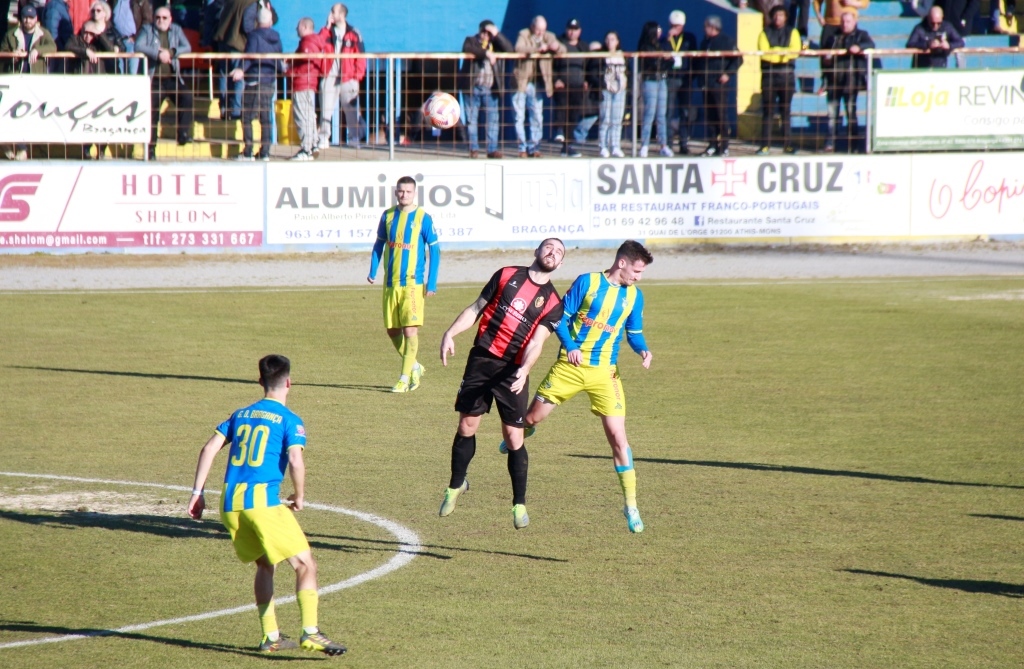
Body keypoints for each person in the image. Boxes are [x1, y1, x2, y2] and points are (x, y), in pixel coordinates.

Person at [187, 354, 347, 656]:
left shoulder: (240, 414)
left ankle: (270, 636)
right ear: (289, 383)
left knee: (265, 564)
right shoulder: (290, 420)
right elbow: (296, 460)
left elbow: (208, 448)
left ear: (260, 381)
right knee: (305, 564)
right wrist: (299, 495)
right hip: (261, 503)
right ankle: (311, 632)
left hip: (230, 504)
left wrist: (197, 492)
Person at [513, 240, 654, 534]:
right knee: (531, 418)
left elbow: (634, 333)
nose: (639, 277)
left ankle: (631, 505)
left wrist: (643, 349)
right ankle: (524, 431)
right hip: (570, 367)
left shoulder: (634, 297)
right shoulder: (587, 283)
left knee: (619, 438)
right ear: (622, 263)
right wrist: (571, 346)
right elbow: (560, 319)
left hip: (605, 374)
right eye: (637, 271)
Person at [437, 239, 567, 530]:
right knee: (467, 425)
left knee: (513, 437)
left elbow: (537, 342)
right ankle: (456, 485)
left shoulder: (553, 303)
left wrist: (525, 369)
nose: (552, 253)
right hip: (482, 360)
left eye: (559, 252)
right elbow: (476, 308)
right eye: (549, 247)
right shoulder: (506, 274)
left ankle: (519, 504)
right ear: (537, 251)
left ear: (560, 264)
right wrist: (450, 333)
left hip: (513, 371)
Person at [367, 176, 440, 393]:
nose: (404, 195)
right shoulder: (388, 216)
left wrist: (431, 283)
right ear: (395, 192)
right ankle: (415, 366)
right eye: (401, 191)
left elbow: (435, 250)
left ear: (414, 193)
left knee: (410, 330)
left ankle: (404, 378)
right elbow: (379, 244)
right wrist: (373, 270)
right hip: (391, 283)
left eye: (408, 191)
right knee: (392, 331)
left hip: (412, 284)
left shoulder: (423, 218)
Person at [137, 4, 193, 159]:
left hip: (172, 78)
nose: (160, 20)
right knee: (152, 114)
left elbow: (187, 47)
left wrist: (172, 52)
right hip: (154, 79)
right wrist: (157, 54)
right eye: (157, 17)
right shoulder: (147, 29)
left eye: (164, 18)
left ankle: (183, 133)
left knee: (187, 97)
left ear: (170, 19)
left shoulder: (176, 30)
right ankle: (151, 149)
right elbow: (139, 45)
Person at [2, 4, 55, 160]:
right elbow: (3, 51)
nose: (28, 21)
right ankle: (17, 146)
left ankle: (22, 147)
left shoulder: (43, 33)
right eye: (25, 17)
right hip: (16, 79)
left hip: (35, 80)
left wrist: (37, 50)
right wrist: (12, 55)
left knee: (31, 116)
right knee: (12, 114)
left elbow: (52, 46)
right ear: (21, 19)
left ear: (36, 19)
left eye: (31, 18)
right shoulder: (11, 34)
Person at [231, 6, 281, 161]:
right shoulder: (276, 36)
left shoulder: (254, 36)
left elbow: (250, 56)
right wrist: (281, 70)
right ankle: (265, 152)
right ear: (271, 21)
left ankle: (248, 151)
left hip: (254, 80)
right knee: (266, 117)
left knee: (247, 116)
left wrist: (241, 69)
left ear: (256, 21)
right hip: (269, 80)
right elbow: (279, 58)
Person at [821, 10, 873, 153]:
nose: (845, 24)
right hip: (833, 81)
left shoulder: (861, 34)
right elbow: (824, 55)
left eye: (848, 21)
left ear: (854, 22)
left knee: (851, 114)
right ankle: (830, 144)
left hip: (851, 81)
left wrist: (859, 47)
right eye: (843, 22)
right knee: (832, 115)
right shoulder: (833, 37)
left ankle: (853, 145)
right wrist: (826, 60)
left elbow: (870, 44)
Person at [513, 15, 564, 158]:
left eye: (543, 30)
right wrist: (536, 48)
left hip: (538, 84)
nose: (540, 33)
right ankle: (522, 148)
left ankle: (534, 147)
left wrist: (556, 47)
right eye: (538, 30)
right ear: (532, 27)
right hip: (521, 82)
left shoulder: (549, 36)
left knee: (537, 116)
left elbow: (563, 49)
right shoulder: (524, 34)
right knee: (519, 116)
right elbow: (518, 48)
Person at [461, 19, 513, 159]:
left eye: (489, 33)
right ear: (479, 31)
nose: (486, 35)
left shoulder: (496, 44)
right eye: (484, 32)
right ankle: (474, 149)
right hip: (472, 87)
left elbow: (510, 49)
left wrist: (497, 34)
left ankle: (492, 150)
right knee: (472, 120)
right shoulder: (471, 40)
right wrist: (486, 53)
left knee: (493, 120)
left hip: (490, 89)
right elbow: (468, 49)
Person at [318, 3, 365, 150]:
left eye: (334, 11)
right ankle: (323, 137)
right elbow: (318, 45)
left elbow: (361, 56)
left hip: (348, 76)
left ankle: (354, 137)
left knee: (351, 109)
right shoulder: (326, 31)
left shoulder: (353, 33)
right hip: (329, 75)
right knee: (326, 107)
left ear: (342, 15)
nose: (331, 14)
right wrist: (326, 26)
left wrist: (356, 76)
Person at [757, 6, 800, 155]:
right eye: (775, 15)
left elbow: (795, 51)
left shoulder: (792, 32)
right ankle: (765, 145)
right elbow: (764, 54)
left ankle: (787, 145)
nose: (778, 18)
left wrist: (774, 51)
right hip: (768, 76)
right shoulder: (765, 32)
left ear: (786, 17)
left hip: (786, 76)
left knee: (785, 111)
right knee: (768, 111)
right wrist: (782, 53)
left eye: (781, 15)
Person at [696, 16, 740, 157]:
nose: (704, 29)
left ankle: (724, 146)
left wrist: (728, 73)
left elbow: (738, 58)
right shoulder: (705, 42)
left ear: (713, 27)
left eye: (706, 26)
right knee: (710, 116)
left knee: (721, 115)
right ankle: (712, 145)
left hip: (719, 84)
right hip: (706, 84)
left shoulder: (726, 41)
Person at [289, 17, 323, 161]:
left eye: (298, 26)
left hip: (302, 83)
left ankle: (306, 149)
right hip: (310, 83)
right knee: (309, 115)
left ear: (304, 27)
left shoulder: (307, 43)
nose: (296, 29)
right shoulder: (316, 42)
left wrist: (290, 71)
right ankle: (313, 144)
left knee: (302, 116)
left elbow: (306, 62)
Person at [664, 10, 697, 155]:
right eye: (673, 25)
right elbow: (662, 54)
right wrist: (668, 39)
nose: (675, 28)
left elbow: (695, 57)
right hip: (670, 78)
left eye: (678, 26)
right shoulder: (665, 38)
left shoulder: (689, 37)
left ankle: (684, 143)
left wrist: (692, 76)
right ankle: (668, 144)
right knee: (669, 112)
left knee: (685, 112)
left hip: (685, 79)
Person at [553, 18, 587, 157]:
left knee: (573, 116)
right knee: (561, 109)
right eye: (570, 29)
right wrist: (555, 79)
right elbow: (550, 64)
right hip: (562, 85)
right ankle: (559, 131)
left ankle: (567, 147)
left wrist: (586, 81)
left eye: (575, 30)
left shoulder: (583, 47)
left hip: (577, 86)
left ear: (579, 31)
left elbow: (589, 65)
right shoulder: (559, 43)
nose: (572, 32)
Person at [636, 21, 671, 157]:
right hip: (650, 80)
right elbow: (651, 63)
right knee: (649, 112)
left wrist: (666, 57)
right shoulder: (645, 46)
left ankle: (663, 145)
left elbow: (671, 61)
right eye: (658, 28)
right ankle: (644, 145)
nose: (660, 30)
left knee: (662, 114)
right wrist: (662, 58)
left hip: (662, 79)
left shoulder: (661, 44)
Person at [595, 31, 627, 158]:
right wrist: (604, 84)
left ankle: (615, 146)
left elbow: (627, 72)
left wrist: (624, 83)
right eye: (607, 39)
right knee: (605, 119)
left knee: (617, 119)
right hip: (606, 90)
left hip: (620, 90)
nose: (610, 42)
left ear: (617, 41)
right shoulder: (601, 55)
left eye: (613, 39)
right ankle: (603, 146)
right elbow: (597, 72)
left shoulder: (622, 55)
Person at [111, 0, 151, 74]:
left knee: (132, 73)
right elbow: (106, 17)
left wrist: (136, 37)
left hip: (132, 42)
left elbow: (147, 21)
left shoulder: (140, 1)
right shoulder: (112, 1)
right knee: (118, 73)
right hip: (116, 40)